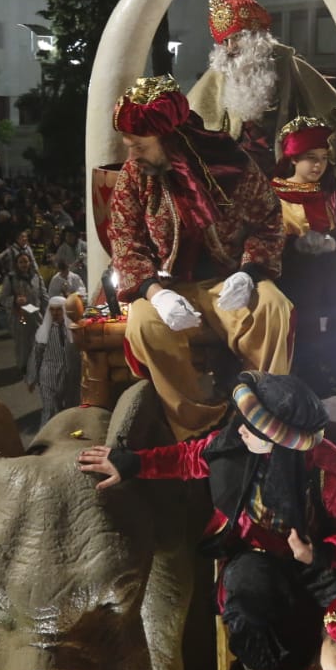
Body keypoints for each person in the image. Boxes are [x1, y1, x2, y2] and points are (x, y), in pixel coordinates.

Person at [77, 372, 336, 670]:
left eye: (255, 430)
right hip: (258, 554)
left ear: (281, 442)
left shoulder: (334, 468)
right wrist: (132, 463)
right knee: (246, 595)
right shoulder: (234, 443)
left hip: (318, 561)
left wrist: (320, 555)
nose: (242, 431)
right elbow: (189, 458)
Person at [108, 75, 293, 437]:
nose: (132, 155)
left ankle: (263, 413)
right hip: (169, 287)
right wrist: (155, 294)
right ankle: (195, 427)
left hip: (228, 282)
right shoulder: (135, 176)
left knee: (274, 307)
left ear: (169, 138)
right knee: (144, 324)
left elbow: (270, 222)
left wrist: (249, 273)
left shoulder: (234, 166)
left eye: (140, 145)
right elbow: (124, 240)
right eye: (128, 144)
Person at [187, 0, 336, 179]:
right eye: (225, 42)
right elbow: (195, 120)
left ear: (255, 37)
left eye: (236, 38)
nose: (230, 47)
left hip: (286, 165)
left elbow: (323, 109)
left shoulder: (287, 66)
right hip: (239, 170)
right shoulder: (220, 73)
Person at [271, 116, 336, 398]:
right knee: (311, 270)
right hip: (288, 274)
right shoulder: (273, 195)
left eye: (324, 158)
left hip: (333, 273)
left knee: (330, 264)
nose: (318, 165)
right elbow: (263, 238)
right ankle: (311, 366)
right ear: (293, 159)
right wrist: (296, 246)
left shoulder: (334, 196)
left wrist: (334, 242)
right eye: (310, 158)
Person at [24, 295, 79, 425]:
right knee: (50, 412)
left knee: (69, 413)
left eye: (59, 309)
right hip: (48, 378)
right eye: (52, 310)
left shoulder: (73, 330)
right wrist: (31, 378)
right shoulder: (43, 331)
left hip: (70, 379)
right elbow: (35, 355)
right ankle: (44, 443)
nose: (55, 313)